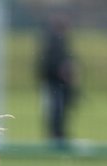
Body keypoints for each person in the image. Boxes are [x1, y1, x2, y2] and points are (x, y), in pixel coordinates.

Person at [37, 13, 77, 144]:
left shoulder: (53, 40)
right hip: (54, 83)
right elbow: (52, 62)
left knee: (56, 110)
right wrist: (62, 71)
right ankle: (56, 135)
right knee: (56, 111)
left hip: (54, 82)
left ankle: (57, 134)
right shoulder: (56, 41)